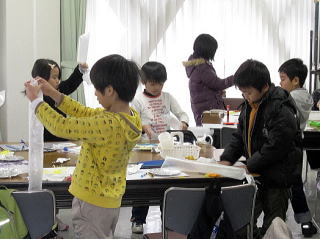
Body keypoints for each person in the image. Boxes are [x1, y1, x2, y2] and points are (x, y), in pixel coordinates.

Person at [24, 54, 142, 239]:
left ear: (110, 90)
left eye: (97, 89)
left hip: (92, 202)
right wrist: (53, 93)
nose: (95, 94)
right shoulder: (130, 116)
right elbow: (83, 112)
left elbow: (62, 126)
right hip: (109, 200)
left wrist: (37, 103)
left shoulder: (108, 123)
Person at [219, 59, 302, 238]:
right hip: (256, 175)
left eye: (248, 92)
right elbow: (239, 137)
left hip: (278, 178)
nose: (245, 97)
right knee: (241, 220)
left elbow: (277, 146)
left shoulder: (280, 106)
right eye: (243, 93)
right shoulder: (249, 106)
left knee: (274, 225)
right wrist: (226, 159)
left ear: (264, 86)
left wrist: (249, 165)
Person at [130, 61, 189, 234]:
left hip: (166, 148)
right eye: (153, 83)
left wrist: (183, 122)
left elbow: (182, 113)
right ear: (144, 82)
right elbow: (131, 121)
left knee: (167, 183)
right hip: (144, 149)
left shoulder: (167, 97)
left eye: (160, 83)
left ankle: (168, 220)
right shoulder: (138, 100)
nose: (157, 87)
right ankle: (138, 219)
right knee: (144, 184)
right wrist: (142, 126)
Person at [279, 58, 317, 238]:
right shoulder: (303, 95)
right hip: (293, 144)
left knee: (293, 186)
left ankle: (305, 222)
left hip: (290, 145)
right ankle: (306, 222)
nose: (280, 83)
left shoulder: (295, 97)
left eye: (283, 78)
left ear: (295, 80)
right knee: (294, 186)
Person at [31, 59, 88, 141]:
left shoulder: (59, 89)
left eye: (58, 77)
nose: (58, 80)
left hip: (62, 138)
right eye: (54, 77)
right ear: (41, 79)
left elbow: (71, 83)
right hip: (44, 140)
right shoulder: (36, 96)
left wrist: (80, 70)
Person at [183, 33, 234, 125]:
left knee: (205, 134)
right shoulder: (202, 67)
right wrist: (235, 78)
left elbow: (207, 86)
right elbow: (217, 84)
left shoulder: (194, 65)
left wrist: (217, 93)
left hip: (201, 111)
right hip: (209, 111)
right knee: (214, 135)